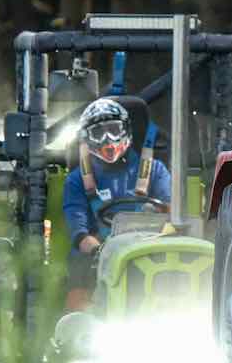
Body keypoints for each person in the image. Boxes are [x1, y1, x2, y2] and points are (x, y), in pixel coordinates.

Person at [61, 97, 172, 308]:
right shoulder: (76, 180)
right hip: (95, 258)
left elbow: (171, 215)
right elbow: (79, 232)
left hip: (150, 251)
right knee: (77, 284)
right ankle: (78, 323)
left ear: (126, 130)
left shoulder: (155, 170)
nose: (108, 139)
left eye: (113, 130)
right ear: (86, 138)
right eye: (98, 133)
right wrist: (103, 253)